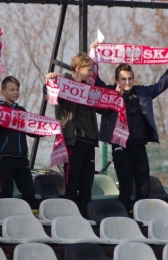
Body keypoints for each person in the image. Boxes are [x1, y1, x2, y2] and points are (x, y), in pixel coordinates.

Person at [96, 62, 168, 213]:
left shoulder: (142, 92)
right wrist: (93, 55)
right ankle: (123, 221)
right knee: (126, 189)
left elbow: (161, 84)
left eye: (130, 78)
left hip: (140, 147)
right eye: (123, 79)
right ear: (117, 81)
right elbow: (95, 81)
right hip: (121, 148)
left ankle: (139, 218)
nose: (127, 82)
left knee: (144, 189)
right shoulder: (110, 93)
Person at [45, 53, 104, 218]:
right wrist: (49, 80)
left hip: (89, 140)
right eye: (88, 70)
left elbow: (103, 106)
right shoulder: (63, 83)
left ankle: (85, 219)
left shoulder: (91, 88)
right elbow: (49, 94)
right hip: (73, 140)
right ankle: (70, 219)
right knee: (72, 185)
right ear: (78, 69)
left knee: (86, 186)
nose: (91, 73)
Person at [0, 76, 35, 205]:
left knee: (29, 192)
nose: (15, 92)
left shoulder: (22, 111)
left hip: (22, 157)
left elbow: (33, 131)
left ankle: (23, 217)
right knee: (6, 192)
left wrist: (52, 128)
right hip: (6, 157)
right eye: (12, 89)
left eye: (17, 90)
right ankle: (3, 220)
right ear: (3, 92)